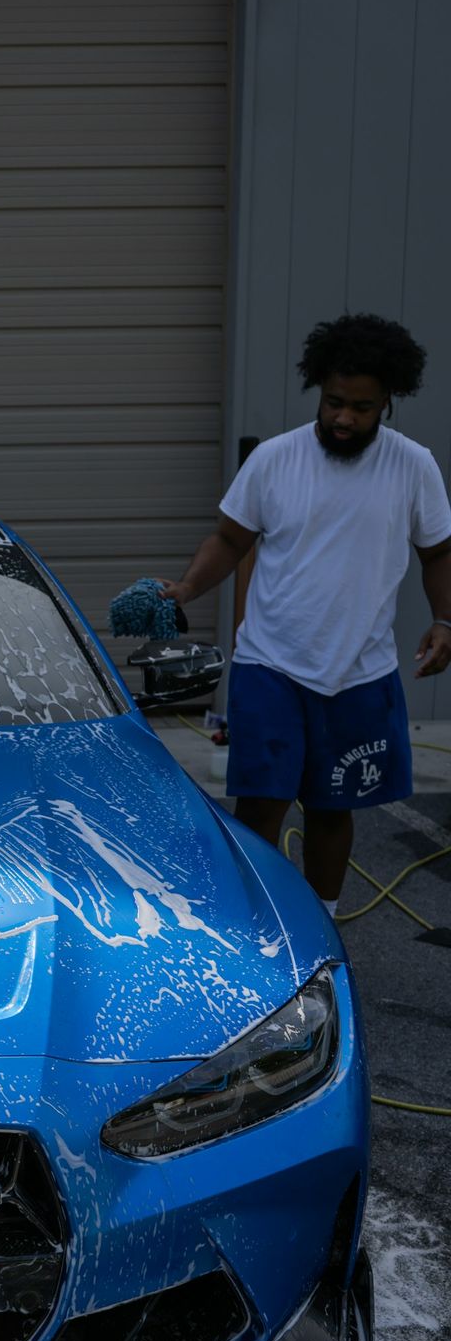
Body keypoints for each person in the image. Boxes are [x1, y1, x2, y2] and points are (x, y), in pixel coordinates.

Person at [159, 312, 451, 915]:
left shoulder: (413, 466)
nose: (344, 418)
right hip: (272, 664)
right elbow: (230, 540)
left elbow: (438, 552)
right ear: (319, 390)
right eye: (335, 402)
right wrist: (187, 588)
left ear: (388, 403)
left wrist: (445, 620)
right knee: (261, 803)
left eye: (362, 408)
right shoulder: (274, 459)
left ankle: (324, 921)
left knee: (330, 807)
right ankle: (257, 923)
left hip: (359, 673)